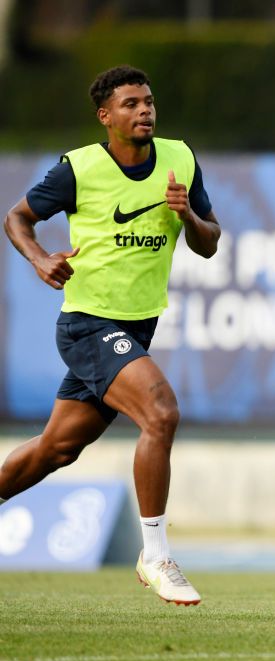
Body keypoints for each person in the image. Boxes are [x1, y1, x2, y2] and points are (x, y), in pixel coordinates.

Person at [0, 66, 220, 605]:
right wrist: (39, 259)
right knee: (161, 412)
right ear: (107, 116)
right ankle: (156, 555)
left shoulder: (180, 159)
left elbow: (210, 242)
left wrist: (187, 213)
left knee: (56, 449)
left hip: (136, 329)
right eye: (130, 104)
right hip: (88, 325)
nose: (144, 110)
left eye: (148, 101)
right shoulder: (79, 169)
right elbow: (17, 217)